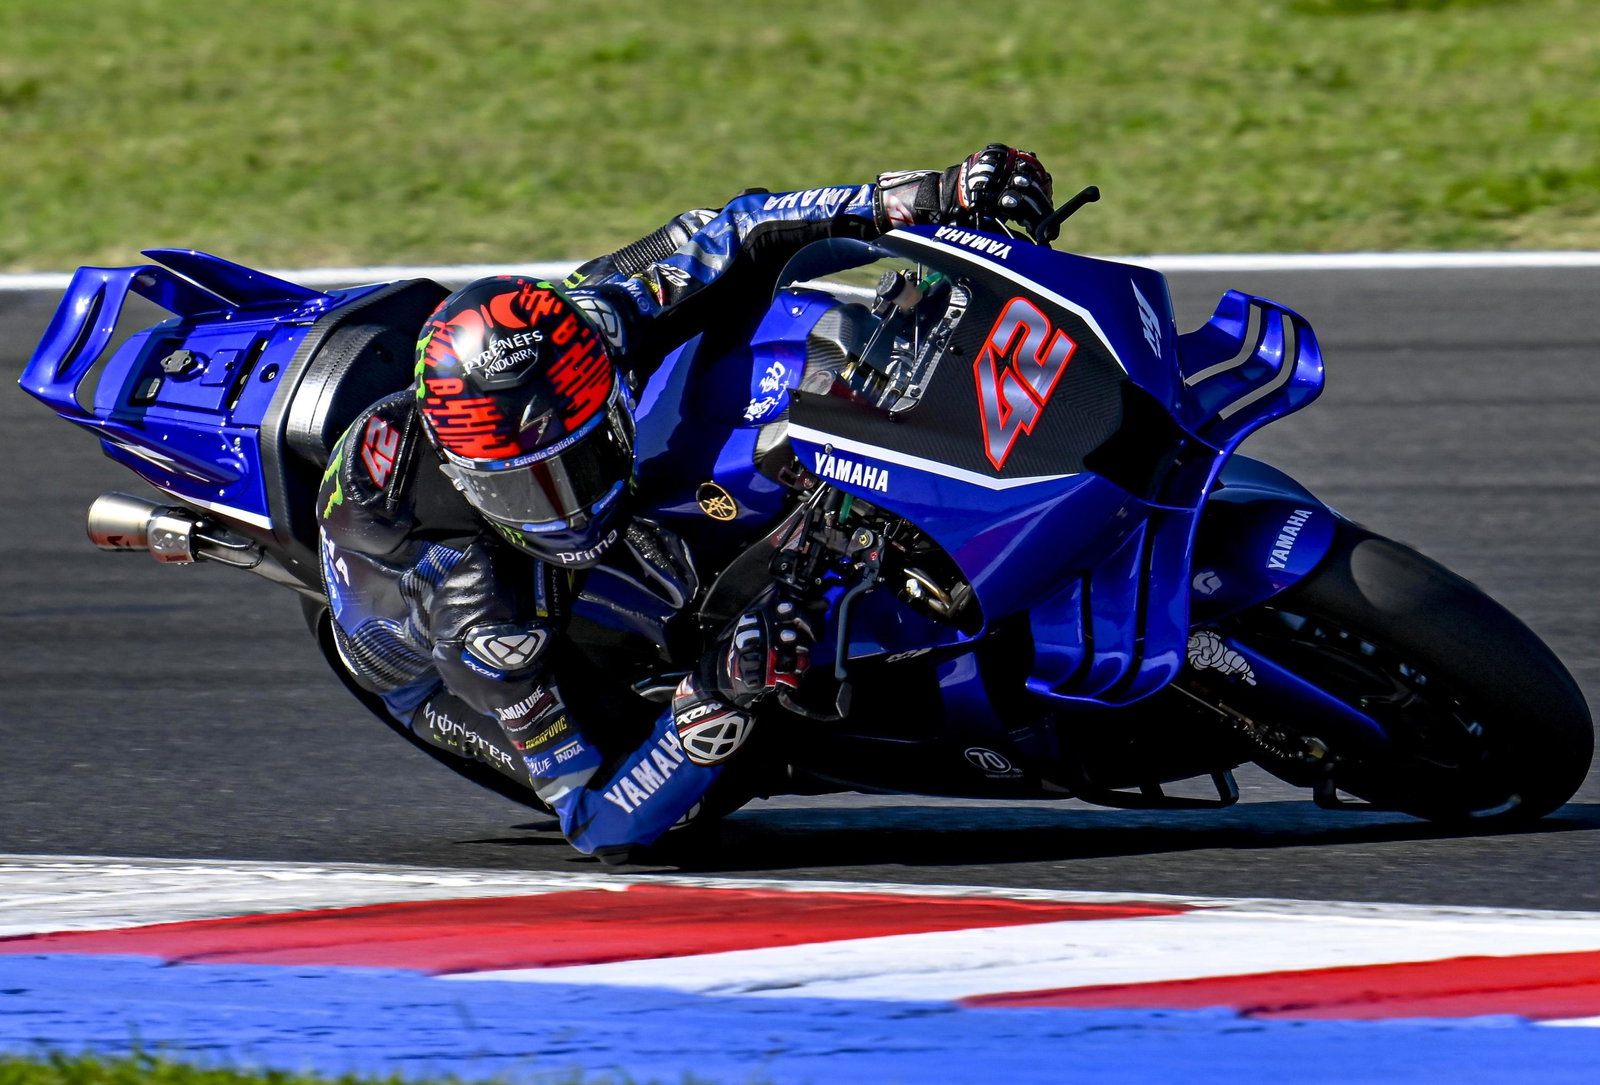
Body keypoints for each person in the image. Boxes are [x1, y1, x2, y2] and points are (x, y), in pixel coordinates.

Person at [315, 144, 1054, 862]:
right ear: (471, 479)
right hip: (444, 672)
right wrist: (719, 692)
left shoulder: (588, 323)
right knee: (698, 800)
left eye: (582, 457)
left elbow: (733, 229)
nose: (567, 505)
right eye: (525, 487)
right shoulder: (483, 620)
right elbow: (596, 819)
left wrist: (918, 198)